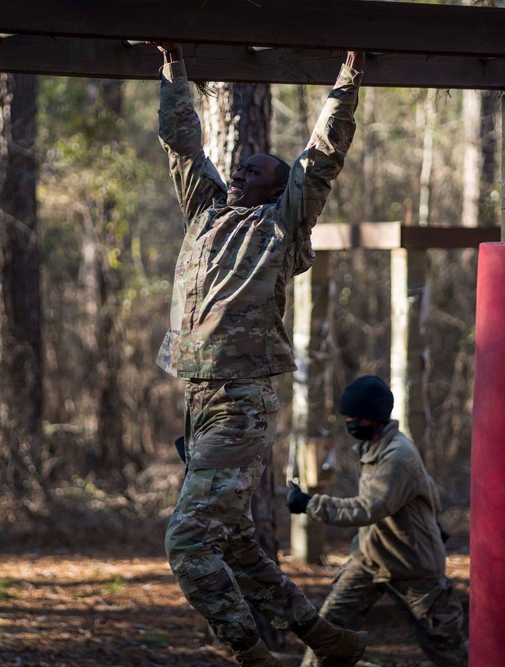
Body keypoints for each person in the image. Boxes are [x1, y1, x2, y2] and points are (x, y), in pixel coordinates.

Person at [153, 42, 367, 667]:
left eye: (256, 170)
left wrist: (347, 81)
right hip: (199, 404)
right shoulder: (204, 211)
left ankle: (252, 656)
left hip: (240, 405)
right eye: (238, 167)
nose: (240, 173)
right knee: (239, 546)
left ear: (279, 188)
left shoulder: (280, 224)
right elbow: (183, 143)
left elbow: (322, 158)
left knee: (189, 544)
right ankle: (328, 639)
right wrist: (173, 70)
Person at [286, 375, 468, 667]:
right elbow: (426, 489)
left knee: (446, 648)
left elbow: (368, 508)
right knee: (328, 631)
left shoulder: (399, 456)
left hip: (413, 567)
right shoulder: (372, 448)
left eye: (353, 417)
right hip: (369, 562)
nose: (348, 424)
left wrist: (310, 504)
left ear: (372, 418)